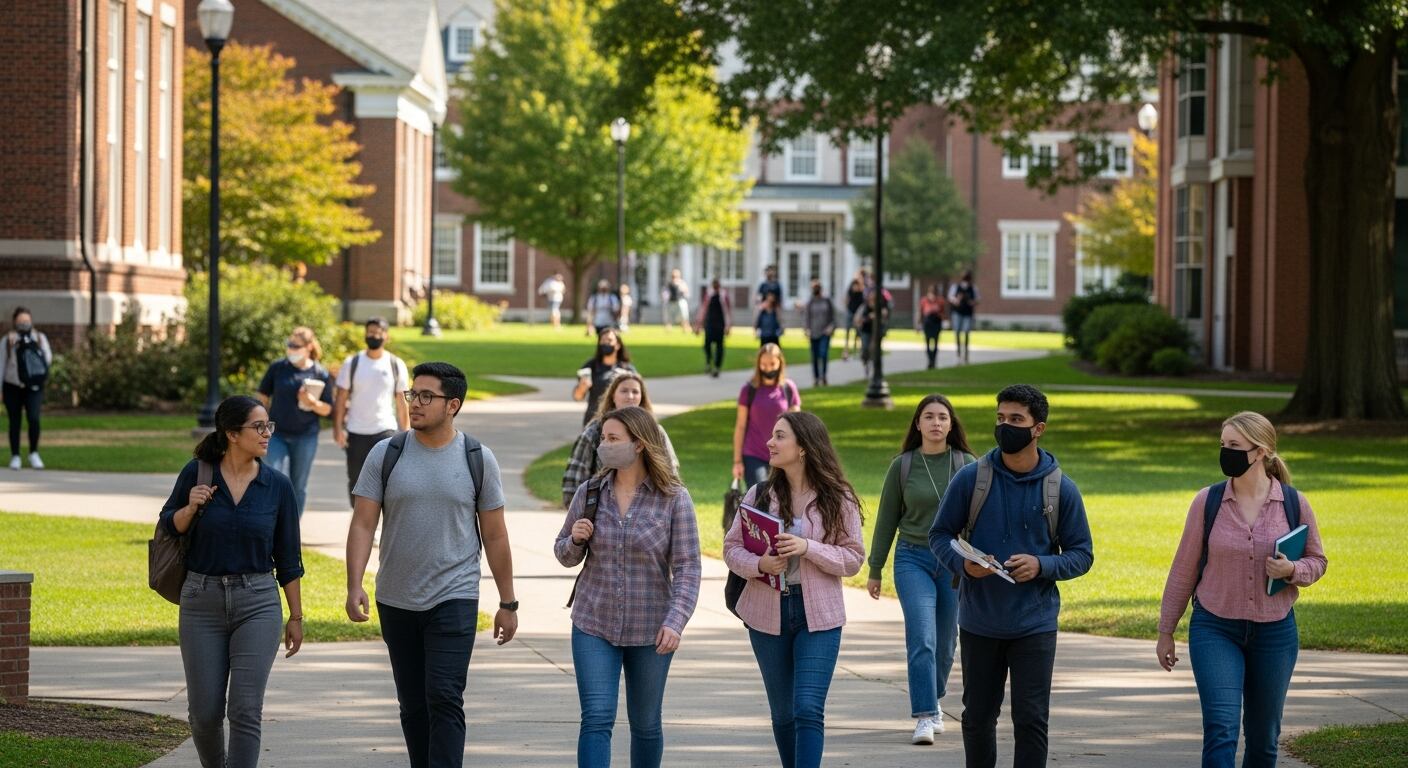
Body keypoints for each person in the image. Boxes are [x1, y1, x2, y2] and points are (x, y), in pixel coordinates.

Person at [345, 362, 519, 768]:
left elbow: (495, 535)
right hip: (396, 597)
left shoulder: (478, 458)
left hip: (454, 596)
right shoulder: (386, 453)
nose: (415, 404)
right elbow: (363, 523)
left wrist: (507, 602)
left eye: (427, 396)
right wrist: (354, 584)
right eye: (412, 395)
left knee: (443, 695)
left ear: (453, 405)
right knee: (413, 703)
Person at [928, 384, 1094, 768]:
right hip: (979, 621)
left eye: (1016, 420)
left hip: (1034, 624)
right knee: (978, 718)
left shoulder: (1061, 489)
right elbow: (938, 535)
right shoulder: (971, 480)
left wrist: (1042, 565)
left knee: (1032, 720)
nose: (1005, 427)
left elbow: (1082, 555)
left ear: (1039, 429)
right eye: (1000, 418)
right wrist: (962, 564)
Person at [1157, 411, 1327, 768]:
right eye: (1222, 445)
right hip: (1215, 628)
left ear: (1261, 451)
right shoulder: (1208, 501)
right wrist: (1166, 630)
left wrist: (1292, 569)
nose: (1225, 452)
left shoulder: (1294, 504)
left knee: (1264, 739)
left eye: (1234, 445)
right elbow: (1183, 569)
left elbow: (1318, 561)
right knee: (1221, 728)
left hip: (1275, 632)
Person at [159, 395, 304, 768]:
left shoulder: (277, 487)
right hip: (200, 600)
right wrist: (190, 507)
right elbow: (169, 526)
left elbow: (289, 558)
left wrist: (296, 616)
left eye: (268, 425)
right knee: (204, 713)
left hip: (257, 601)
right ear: (231, 434)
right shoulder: (197, 473)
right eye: (258, 426)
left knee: (245, 708)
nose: (267, 433)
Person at [555, 405, 702, 768]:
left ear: (638, 444)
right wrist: (574, 539)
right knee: (596, 719)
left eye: (613, 439)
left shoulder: (673, 498)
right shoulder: (590, 493)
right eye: (603, 438)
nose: (604, 445)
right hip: (593, 623)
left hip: (652, 629)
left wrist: (676, 620)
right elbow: (564, 555)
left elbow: (688, 567)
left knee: (647, 724)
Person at [723, 411, 865, 768]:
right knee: (783, 713)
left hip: (819, 617)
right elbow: (731, 548)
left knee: (807, 709)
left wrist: (808, 548)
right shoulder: (759, 494)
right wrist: (759, 565)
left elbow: (853, 559)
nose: (770, 442)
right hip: (766, 615)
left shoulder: (839, 496)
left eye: (780, 436)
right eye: (772, 436)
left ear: (803, 447)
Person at [867, 395, 976, 745]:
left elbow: (980, 519)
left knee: (946, 645)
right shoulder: (902, 466)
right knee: (922, 638)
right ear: (917, 424)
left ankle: (934, 698)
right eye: (928, 417)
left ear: (951, 424)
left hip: (954, 562)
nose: (935, 423)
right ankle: (925, 715)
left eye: (942, 417)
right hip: (912, 557)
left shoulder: (967, 464)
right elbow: (886, 520)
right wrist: (875, 567)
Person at [561, 370, 679, 508]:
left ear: (642, 397)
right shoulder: (594, 432)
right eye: (624, 391)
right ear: (613, 396)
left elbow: (670, 474)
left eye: (635, 392)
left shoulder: (656, 433)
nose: (630, 396)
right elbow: (572, 481)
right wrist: (582, 515)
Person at [256, 327, 334, 517]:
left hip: (306, 436)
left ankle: (291, 529)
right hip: (277, 434)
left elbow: (328, 409)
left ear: (308, 347)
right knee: (274, 477)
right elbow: (262, 397)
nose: (291, 349)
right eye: (289, 345)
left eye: (296, 346)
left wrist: (312, 402)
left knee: (298, 485)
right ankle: (270, 524)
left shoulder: (319, 373)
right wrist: (260, 421)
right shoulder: (278, 368)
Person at [333, 318, 410, 507]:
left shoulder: (395, 364)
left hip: (385, 430)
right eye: (370, 332)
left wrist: (407, 433)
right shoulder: (353, 362)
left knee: (385, 480)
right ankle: (362, 520)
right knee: (356, 480)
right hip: (356, 431)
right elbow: (341, 398)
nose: (373, 336)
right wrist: (337, 429)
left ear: (386, 336)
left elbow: (401, 401)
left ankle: (378, 526)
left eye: (378, 332)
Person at [732, 344, 801, 490]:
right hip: (753, 453)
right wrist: (737, 461)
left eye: (772, 364)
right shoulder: (748, 390)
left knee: (783, 499)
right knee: (761, 498)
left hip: (783, 454)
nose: (768, 368)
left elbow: (799, 429)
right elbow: (740, 426)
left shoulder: (789, 389)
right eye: (763, 364)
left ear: (780, 363)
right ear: (758, 365)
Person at [2, 307, 51, 470]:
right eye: (21, 321)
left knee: (34, 418)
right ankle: (15, 456)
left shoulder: (39, 339)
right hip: (12, 385)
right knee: (14, 421)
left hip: (34, 386)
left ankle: (33, 453)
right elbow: (1, 365)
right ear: (14, 322)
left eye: (27, 320)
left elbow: (47, 360)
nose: (24, 323)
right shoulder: (7, 341)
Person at [573, 328, 636, 426]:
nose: (605, 343)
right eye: (602, 341)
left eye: (609, 340)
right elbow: (577, 397)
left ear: (618, 345)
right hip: (594, 421)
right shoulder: (591, 366)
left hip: (620, 421)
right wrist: (582, 387)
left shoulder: (627, 370)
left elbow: (638, 397)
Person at [695, 278, 732, 377]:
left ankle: (717, 366)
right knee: (707, 344)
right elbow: (703, 309)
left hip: (720, 324)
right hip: (710, 323)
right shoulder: (709, 295)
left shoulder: (723, 296)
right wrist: (698, 324)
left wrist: (728, 326)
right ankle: (709, 361)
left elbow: (727, 312)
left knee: (719, 346)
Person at [802, 280, 836, 387]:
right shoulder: (810, 302)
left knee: (823, 353)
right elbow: (807, 317)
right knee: (815, 356)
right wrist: (807, 329)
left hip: (825, 332)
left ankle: (824, 376)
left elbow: (833, 317)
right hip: (813, 332)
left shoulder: (827, 301)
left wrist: (831, 328)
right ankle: (816, 378)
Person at [855, 287, 891, 376]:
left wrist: (879, 315)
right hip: (866, 330)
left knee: (875, 349)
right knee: (865, 348)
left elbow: (885, 315)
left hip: (877, 331)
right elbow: (857, 319)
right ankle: (865, 362)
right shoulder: (864, 307)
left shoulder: (881, 307)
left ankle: (875, 368)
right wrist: (867, 318)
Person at [948, 271, 979, 365]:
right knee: (957, 332)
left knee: (966, 332)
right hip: (957, 312)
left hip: (967, 314)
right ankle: (958, 352)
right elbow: (951, 298)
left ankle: (965, 353)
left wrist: (971, 302)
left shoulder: (973, 288)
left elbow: (977, 299)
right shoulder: (956, 287)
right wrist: (957, 300)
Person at [918, 284, 947, 369]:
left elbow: (943, 312)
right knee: (927, 342)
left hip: (936, 322)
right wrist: (919, 323)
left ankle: (933, 360)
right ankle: (930, 360)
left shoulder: (940, 301)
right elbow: (921, 312)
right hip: (928, 323)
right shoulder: (924, 300)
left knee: (935, 342)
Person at [842, 277, 866, 362]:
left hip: (857, 314)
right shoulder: (850, 292)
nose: (854, 287)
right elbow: (846, 300)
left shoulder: (861, 293)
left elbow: (862, 305)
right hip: (850, 312)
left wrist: (859, 315)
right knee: (848, 332)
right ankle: (846, 351)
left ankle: (856, 350)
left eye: (856, 286)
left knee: (858, 333)